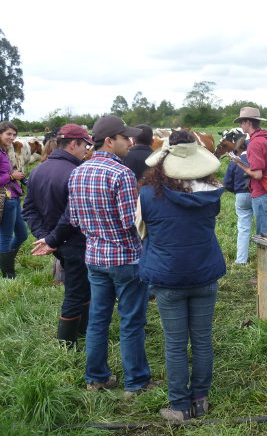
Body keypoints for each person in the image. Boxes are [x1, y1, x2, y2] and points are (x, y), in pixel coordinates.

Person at [138, 130, 226, 422]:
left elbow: (141, 231)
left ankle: (179, 406)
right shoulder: (212, 193)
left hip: (168, 277)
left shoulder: (148, 194)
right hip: (204, 274)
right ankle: (200, 400)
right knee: (202, 339)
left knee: (175, 343)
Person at [67, 115, 157, 395]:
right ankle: (136, 382)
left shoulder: (77, 172)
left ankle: (96, 378)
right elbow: (133, 221)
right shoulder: (121, 174)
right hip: (126, 258)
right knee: (131, 322)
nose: (130, 142)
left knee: (98, 319)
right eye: (124, 138)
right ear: (109, 141)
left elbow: (74, 219)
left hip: (94, 257)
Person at [23, 124, 93, 346]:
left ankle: (83, 330)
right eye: (85, 145)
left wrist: (46, 238)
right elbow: (73, 214)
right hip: (75, 241)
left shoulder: (38, 170)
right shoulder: (77, 172)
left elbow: (29, 210)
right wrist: (51, 239)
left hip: (57, 243)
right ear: (73, 144)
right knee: (76, 290)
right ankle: (67, 344)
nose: (86, 150)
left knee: (80, 285)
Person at [0, 122, 28, 278]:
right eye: (8, 134)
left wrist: (16, 174)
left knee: (23, 235)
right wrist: (11, 176)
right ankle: (8, 274)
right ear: (0, 134)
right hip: (4, 198)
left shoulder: (4, 151)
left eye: (14, 135)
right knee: (5, 236)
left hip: (14, 197)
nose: (12, 137)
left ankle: (4, 261)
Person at [223, 135, 252, 264]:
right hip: (258, 194)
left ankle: (241, 259)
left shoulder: (235, 161)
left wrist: (237, 191)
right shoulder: (256, 159)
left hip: (240, 195)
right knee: (263, 228)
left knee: (243, 227)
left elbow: (227, 183)